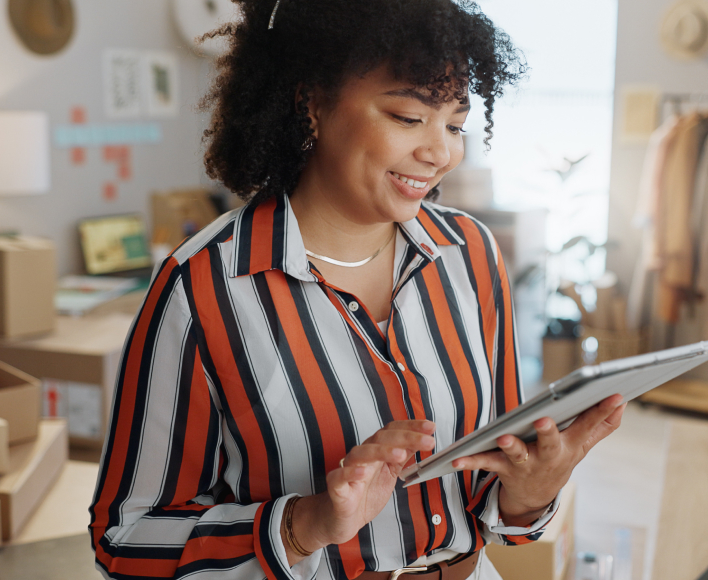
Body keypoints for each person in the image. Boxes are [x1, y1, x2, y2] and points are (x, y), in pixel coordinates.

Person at [88, 1, 628, 579]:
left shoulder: (470, 254)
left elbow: (490, 497)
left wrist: (533, 491)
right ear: (311, 102)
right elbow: (124, 539)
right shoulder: (202, 287)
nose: (440, 152)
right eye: (406, 117)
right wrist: (304, 525)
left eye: (455, 125)